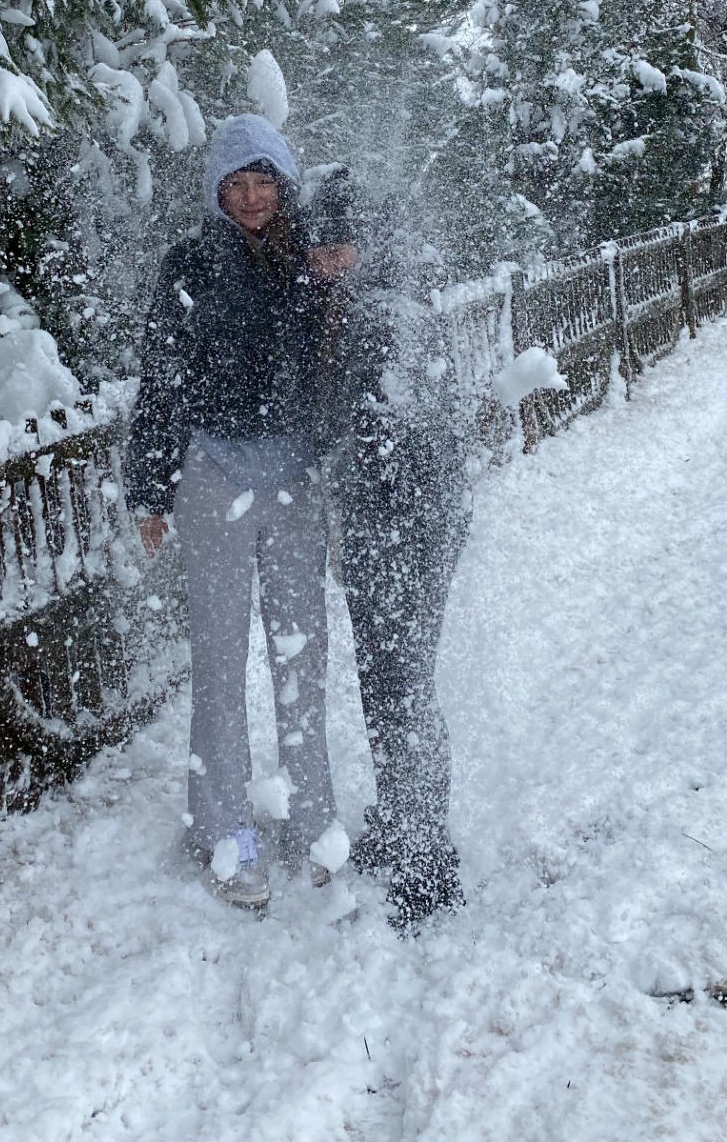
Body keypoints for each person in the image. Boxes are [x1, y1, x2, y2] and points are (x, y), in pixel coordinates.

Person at [124, 114, 344, 910]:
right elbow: (160, 375)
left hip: (293, 478)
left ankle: (313, 824)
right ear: (216, 192)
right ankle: (228, 836)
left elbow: (349, 343)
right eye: (237, 185)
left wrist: (342, 262)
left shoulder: (313, 255)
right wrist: (150, 488)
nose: (252, 198)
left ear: (286, 186)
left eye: (265, 183)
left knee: (302, 656)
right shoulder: (188, 264)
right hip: (213, 473)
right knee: (220, 663)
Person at [310, 167, 472, 930]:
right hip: (399, 525)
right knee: (392, 680)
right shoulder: (373, 302)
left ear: (366, 246)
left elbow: (395, 430)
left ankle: (426, 857)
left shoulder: (382, 316)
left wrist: (363, 517)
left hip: (406, 528)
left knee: (401, 683)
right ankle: (404, 822)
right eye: (319, 249)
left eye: (340, 247)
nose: (327, 261)